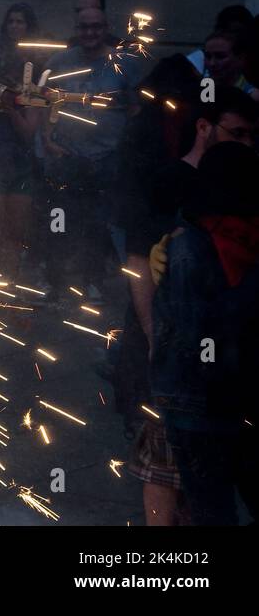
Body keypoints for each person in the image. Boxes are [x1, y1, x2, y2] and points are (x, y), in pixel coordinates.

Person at [117, 86, 258, 524]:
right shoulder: (188, 235)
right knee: (194, 492)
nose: (247, 143)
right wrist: (153, 340)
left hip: (196, 398)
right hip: (206, 395)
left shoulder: (190, 245)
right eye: (238, 133)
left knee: (209, 502)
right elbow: (141, 264)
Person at [151, 142, 259, 525]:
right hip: (201, 406)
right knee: (213, 511)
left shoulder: (239, 241)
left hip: (227, 402)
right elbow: (200, 342)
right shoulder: (191, 250)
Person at [40, 5, 145, 302]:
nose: (90, 33)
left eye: (96, 27)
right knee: (58, 221)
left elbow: (137, 108)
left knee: (99, 223)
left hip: (107, 157)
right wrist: (47, 139)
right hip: (66, 156)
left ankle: (93, 280)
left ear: (106, 26)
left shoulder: (124, 62)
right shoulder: (59, 61)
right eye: (84, 27)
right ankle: (55, 283)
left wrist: (128, 148)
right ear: (76, 28)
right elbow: (42, 103)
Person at [0, 3, 46, 279]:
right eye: (11, 22)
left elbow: (29, 130)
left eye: (21, 22)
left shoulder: (37, 65)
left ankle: (13, 282)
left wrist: (11, 105)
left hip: (20, 155)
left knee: (17, 230)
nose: (15, 27)